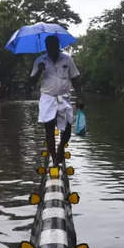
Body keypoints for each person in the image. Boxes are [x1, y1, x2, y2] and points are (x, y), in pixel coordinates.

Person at [30, 35, 80, 166]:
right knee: (49, 128)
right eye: (50, 46)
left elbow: (75, 79)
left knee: (68, 127)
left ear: (58, 46)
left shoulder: (67, 59)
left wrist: (81, 97)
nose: (53, 48)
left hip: (64, 97)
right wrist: (39, 70)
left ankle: (61, 147)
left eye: (55, 45)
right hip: (47, 97)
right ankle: (54, 158)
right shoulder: (39, 60)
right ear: (46, 47)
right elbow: (31, 82)